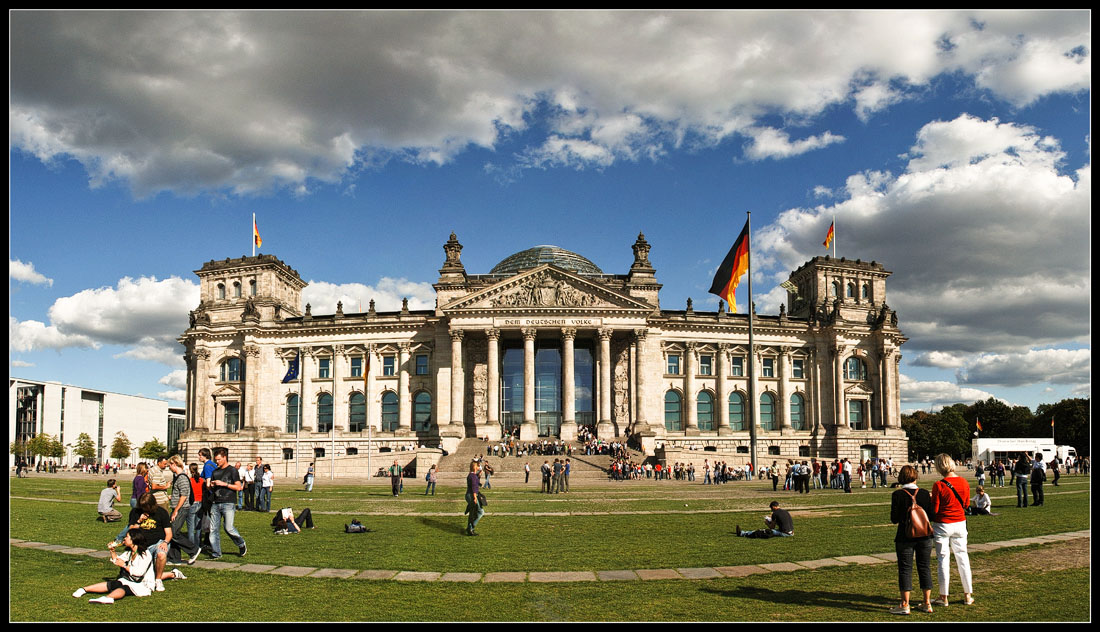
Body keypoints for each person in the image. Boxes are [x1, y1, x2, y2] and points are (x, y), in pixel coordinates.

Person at [72, 528, 174, 604]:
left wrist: (124, 565)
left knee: (124, 588)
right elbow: (117, 561)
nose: (124, 539)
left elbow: (138, 573)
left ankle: (108, 598)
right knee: (113, 584)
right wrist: (112, 551)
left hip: (142, 584)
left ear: (134, 540)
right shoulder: (129, 552)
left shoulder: (145, 554)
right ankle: (84, 589)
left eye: (127, 537)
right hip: (129, 579)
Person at [889, 465, 934, 615]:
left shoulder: (897, 495)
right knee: (924, 567)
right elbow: (932, 516)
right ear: (915, 476)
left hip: (905, 536)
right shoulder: (924, 494)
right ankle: (927, 602)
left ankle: (905, 604)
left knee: (905, 569)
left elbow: (894, 519)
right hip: (925, 536)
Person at [930, 454, 973, 607]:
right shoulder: (964, 482)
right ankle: (968, 594)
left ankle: (943, 596)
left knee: (943, 560)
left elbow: (934, 509)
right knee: (963, 558)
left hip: (943, 524)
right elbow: (967, 504)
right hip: (960, 523)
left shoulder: (939, 485)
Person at [207, 446, 247, 559]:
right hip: (215, 502)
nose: (217, 462)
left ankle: (241, 543)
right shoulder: (215, 471)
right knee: (213, 529)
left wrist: (224, 484)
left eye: (219, 459)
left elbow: (238, 487)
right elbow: (212, 488)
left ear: (225, 458)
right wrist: (212, 486)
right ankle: (216, 553)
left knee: (228, 528)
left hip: (228, 502)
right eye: (216, 460)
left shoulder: (232, 470)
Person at [165, 456, 201, 566]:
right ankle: (174, 558)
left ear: (175, 464)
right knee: (171, 532)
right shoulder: (177, 477)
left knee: (174, 533)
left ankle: (193, 550)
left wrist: (176, 510)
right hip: (177, 507)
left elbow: (184, 495)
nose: (169, 467)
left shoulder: (182, 478)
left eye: (170, 465)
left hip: (181, 508)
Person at [186, 463, 204, 550]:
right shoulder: (201, 480)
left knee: (190, 527)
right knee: (198, 526)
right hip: (200, 502)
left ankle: (191, 546)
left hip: (192, 503)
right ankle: (198, 544)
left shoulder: (190, 480)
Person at [464, 460, 485, 536]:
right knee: (480, 512)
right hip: (472, 495)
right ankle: (470, 527)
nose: (479, 467)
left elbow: (475, 482)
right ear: (474, 467)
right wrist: (475, 497)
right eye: (477, 466)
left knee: (473, 512)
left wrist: (478, 476)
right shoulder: (472, 476)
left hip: (469, 495)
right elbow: (473, 486)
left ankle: (470, 527)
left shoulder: (472, 475)